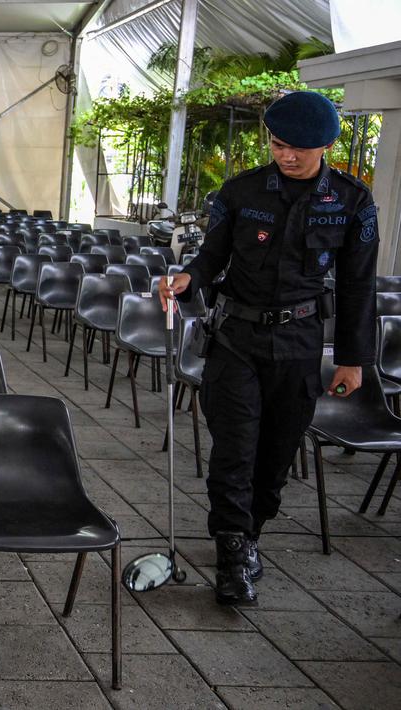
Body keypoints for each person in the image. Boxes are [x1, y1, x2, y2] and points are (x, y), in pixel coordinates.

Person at [159, 90, 377, 606]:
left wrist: (353, 358)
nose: (287, 156)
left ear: (324, 145)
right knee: (233, 449)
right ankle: (232, 553)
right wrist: (188, 277)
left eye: (299, 148)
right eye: (279, 145)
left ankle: (251, 533)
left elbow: (357, 284)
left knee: (276, 455)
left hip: (300, 343)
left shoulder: (351, 200)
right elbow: (211, 254)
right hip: (236, 338)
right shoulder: (241, 191)